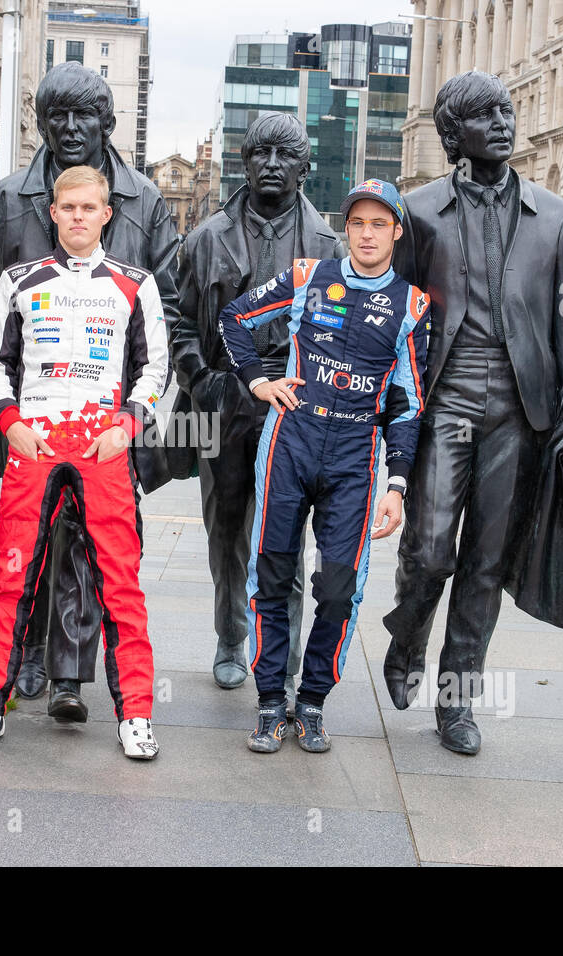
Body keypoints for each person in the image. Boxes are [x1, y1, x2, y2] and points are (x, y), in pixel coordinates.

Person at [0, 61, 179, 709]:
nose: (72, 127)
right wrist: (1, 362)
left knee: (91, 538)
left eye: (86, 115)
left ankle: (69, 674)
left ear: (108, 122)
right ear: (41, 121)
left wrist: (140, 391)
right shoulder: (4, 201)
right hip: (30, 403)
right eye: (58, 114)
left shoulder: (145, 201)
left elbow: (168, 296)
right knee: (32, 531)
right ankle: (24, 647)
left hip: (109, 405)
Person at [382, 71, 563, 755]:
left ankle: (456, 701)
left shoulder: (555, 217)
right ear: (452, 134)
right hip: (446, 396)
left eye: (506, 111)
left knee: (487, 561)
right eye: (483, 114)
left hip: (519, 407)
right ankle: (408, 631)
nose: (501, 122)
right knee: (431, 550)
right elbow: (397, 316)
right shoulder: (418, 211)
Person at [218, 179, 429, 754]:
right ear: (346, 228)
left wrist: (398, 484)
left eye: (378, 224)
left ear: (396, 232)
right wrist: (258, 381)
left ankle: (310, 702)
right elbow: (232, 319)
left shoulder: (412, 304)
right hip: (290, 440)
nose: (366, 233)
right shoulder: (310, 276)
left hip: (355, 459)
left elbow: (407, 402)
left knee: (337, 590)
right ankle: (268, 703)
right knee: (272, 576)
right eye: (357, 222)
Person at [169, 112, 343, 694]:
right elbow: (178, 322)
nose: (271, 164)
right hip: (224, 400)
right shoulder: (205, 238)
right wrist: (203, 382)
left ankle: (282, 643)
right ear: (243, 163)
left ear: (305, 166)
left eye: (284, 154)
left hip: (296, 404)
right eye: (260, 153)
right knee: (227, 529)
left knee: (286, 533)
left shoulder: (329, 247)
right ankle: (229, 635)